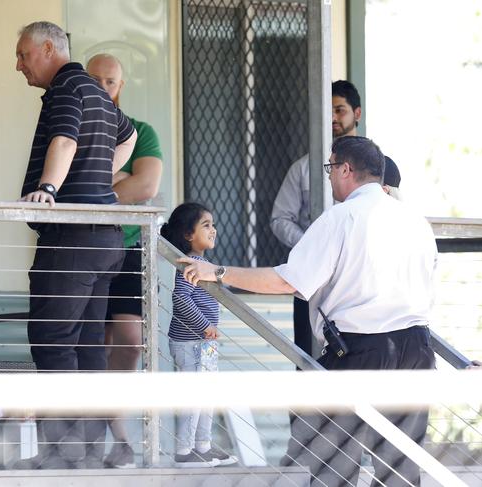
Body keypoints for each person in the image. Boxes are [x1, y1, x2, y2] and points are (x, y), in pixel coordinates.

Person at [180, 136, 436, 486]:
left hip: (363, 352)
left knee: (332, 465)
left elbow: (290, 281)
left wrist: (220, 272)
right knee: (400, 471)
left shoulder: (341, 218)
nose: (329, 176)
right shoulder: (415, 222)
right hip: (418, 352)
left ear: (346, 169)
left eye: (331, 167)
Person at [14, 22, 137, 470]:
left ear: (49, 49)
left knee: (52, 340)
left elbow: (64, 139)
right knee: (86, 346)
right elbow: (128, 137)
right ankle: (82, 455)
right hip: (104, 239)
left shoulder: (68, 87)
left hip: (72, 238)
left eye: (24, 55)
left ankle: (64, 457)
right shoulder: (97, 92)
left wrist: (49, 187)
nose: (19, 64)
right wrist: (99, 176)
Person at [85, 53, 163, 469]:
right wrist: (119, 183)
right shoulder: (71, 128)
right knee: (91, 346)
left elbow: (147, 185)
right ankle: (116, 438)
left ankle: (110, 424)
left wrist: (94, 186)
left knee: (130, 341)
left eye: (110, 81)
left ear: (120, 87)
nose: (102, 87)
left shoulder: (142, 131)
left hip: (129, 248)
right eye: (94, 80)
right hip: (80, 249)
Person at [270, 80, 362, 357]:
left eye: (340, 110)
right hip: (309, 279)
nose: (333, 117)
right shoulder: (304, 168)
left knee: (358, 355)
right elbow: (279, 219)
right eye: (328, 110)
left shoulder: (377, 166)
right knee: (306, 357)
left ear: (357, 113)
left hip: (357, 278)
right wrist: (314, 245)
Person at [160, 202, 237, 468]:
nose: (213, 230)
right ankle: (184, 450)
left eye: (213, 224)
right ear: (187, 235)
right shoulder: (189, 265)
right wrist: (205, 325)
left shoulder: (204, 263)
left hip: (205, 343)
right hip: (191, 342)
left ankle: (202, 446)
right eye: (206, 225)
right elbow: (180, 299)